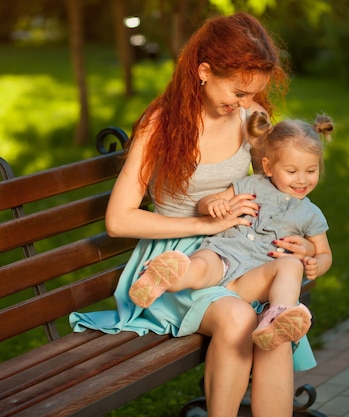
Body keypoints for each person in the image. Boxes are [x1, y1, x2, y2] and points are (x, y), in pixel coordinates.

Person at [70, 13, 316, 417]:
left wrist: (302, 241)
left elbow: (272, 187)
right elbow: (119, 220)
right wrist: (206, 223)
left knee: (275, 324)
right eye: (237, 91)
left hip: (240, 251)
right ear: (204, 72)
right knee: (238, 319)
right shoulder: (161, 125)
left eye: (252, 93)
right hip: (175, 267)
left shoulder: (249, 116)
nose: (244, 103)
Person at [129, 111, 334, 352]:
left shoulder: (311, 214)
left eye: (311, 171)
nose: (302, 180)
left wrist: (317, 264)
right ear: (268, 167)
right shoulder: (252, 184)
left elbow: (325, 253)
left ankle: (277, 319)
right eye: (292, 171)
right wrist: (213, 205)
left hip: (254, 276)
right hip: (223, 254)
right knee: (202, 264)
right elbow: (209, 200)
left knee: (292, 266)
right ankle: (162, 279)